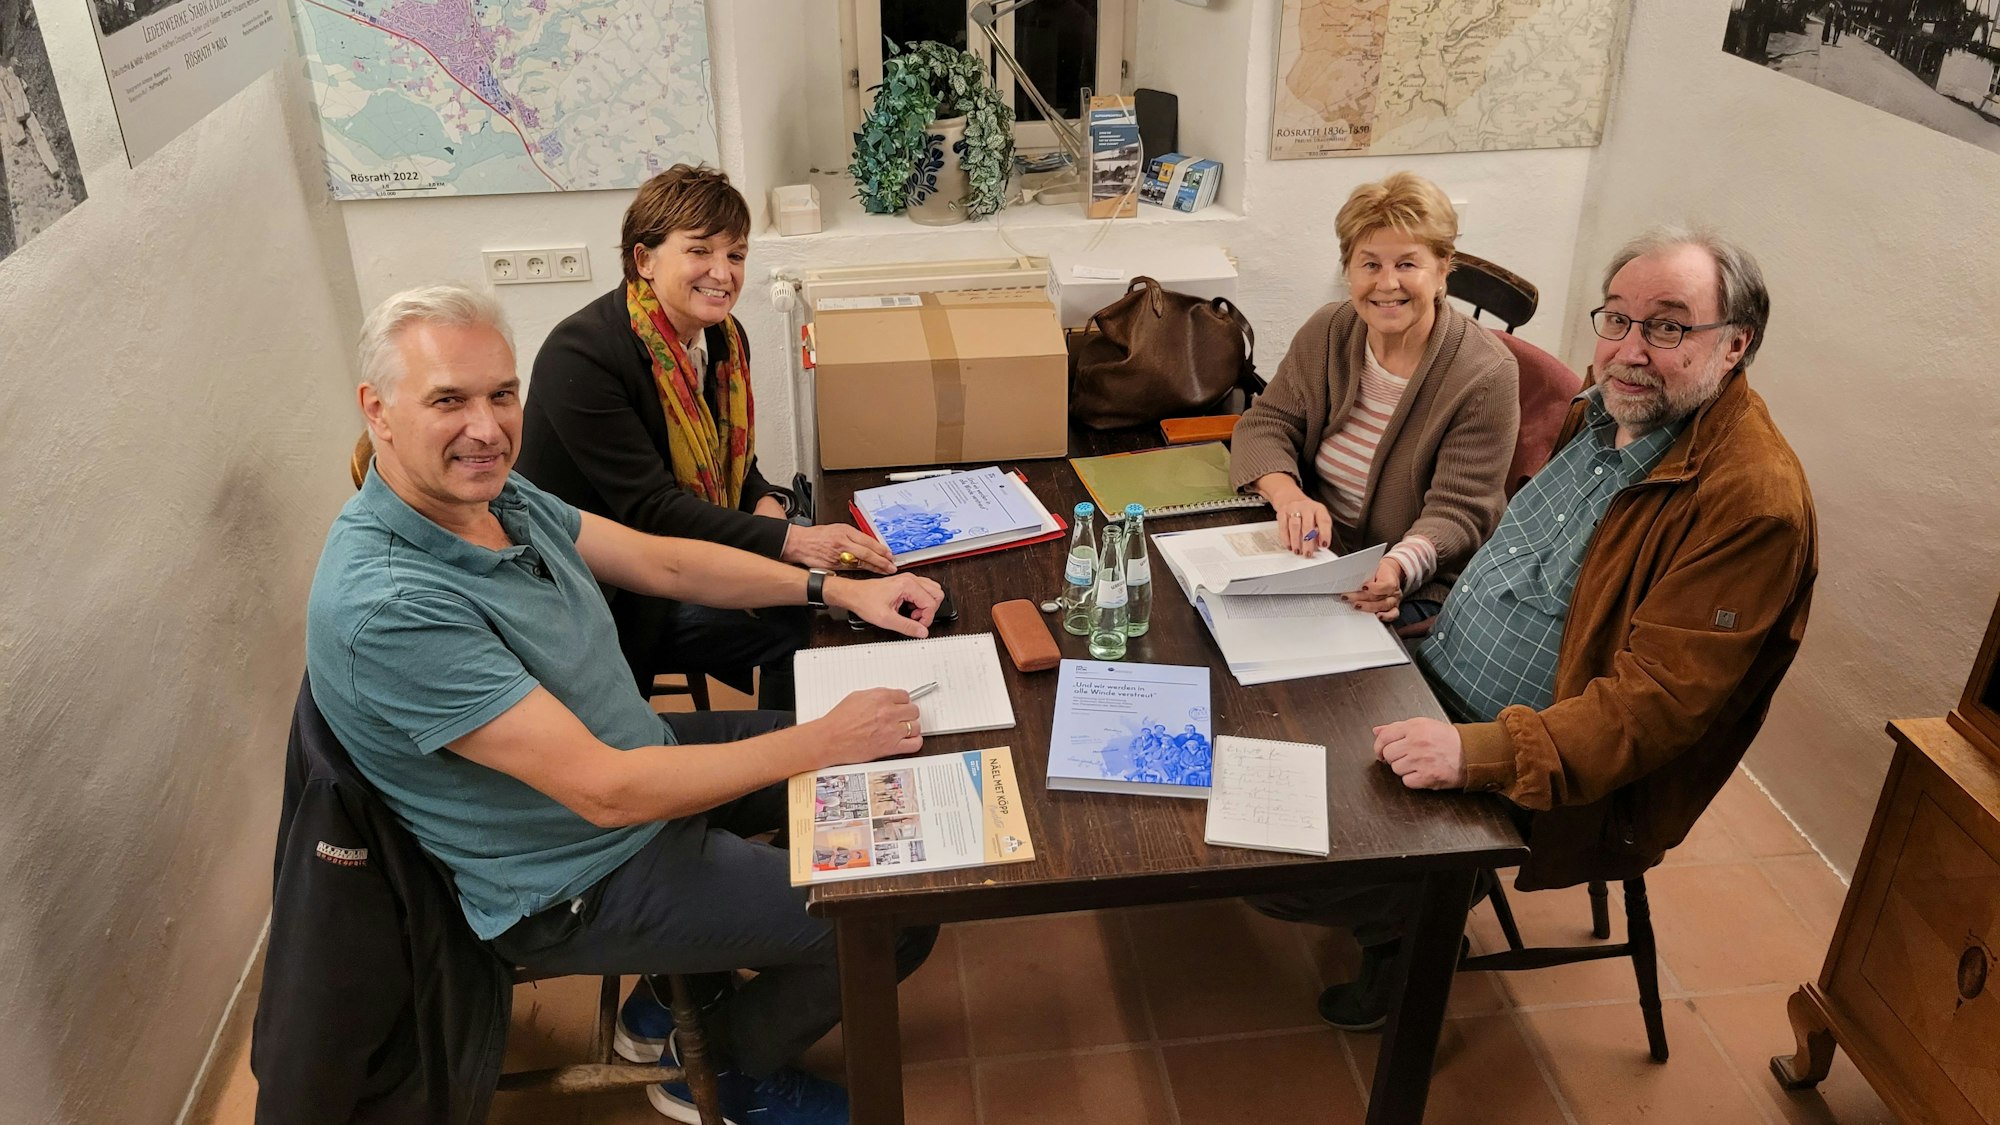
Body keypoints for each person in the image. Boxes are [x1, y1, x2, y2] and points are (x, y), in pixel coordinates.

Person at [309, 283, 944, 1124]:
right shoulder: (390, 603)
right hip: (577, 870)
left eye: (502, 394)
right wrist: (826, 738)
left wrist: (831, 592)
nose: (488, 427)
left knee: (879, 774)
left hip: (632, 762)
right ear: (377, 411)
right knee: (896, 912)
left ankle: (674, 997)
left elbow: (663, 564)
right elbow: (605, 790)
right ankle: (718, 1070)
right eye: (448, 401)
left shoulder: (491, 495)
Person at [1253, 227, 1817, 1032]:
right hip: (1433, 661)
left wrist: (1473, 752)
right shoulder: (1603, 412)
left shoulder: (1750, 501)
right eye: (1615, 319)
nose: (1629, 349)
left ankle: (1417, 918)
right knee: (1249, 728)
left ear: (1735, 345)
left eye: (1667, 326)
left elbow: (1652, 708)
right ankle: (1415, 894)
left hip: (1521, 752)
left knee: (1270, 865)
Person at [517, 164, 890, 709]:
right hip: (605, 594)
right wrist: (788, 541)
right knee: (807, 611)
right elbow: (652, 509)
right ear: (643, 259)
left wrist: (766, 505)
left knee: (860, 556)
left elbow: (734, 459)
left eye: (736, 255)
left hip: (681, 547)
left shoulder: (722, 338)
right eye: (700, 251)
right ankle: (785, 753)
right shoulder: (583, 355)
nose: (723, 272)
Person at [1229, 171, 1519, 628]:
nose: (1387, 285)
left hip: (1416, 585)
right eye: (1370, 264)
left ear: (1443, 270)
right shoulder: (1329, 329)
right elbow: (1266, 423)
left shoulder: (1485, 374)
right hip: (1313, 558)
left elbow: (1460, 513)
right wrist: (1289, 499)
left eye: (1407, 264)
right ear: (1348, 271)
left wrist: (1396, 569)